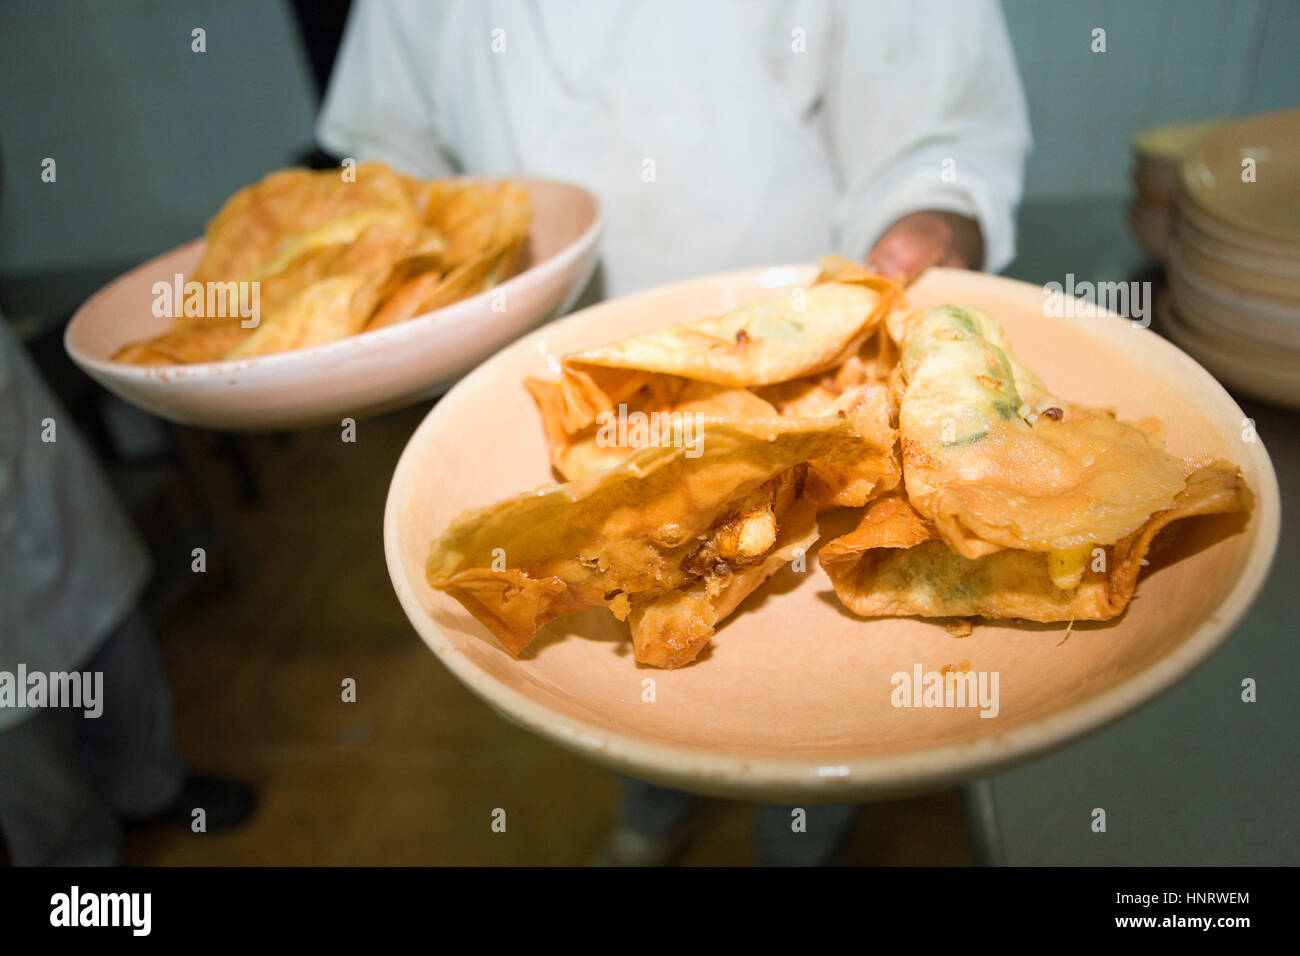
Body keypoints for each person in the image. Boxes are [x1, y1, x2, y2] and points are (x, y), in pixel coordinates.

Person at [317, 0, 1031, 865]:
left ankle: (799, 835)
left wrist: (929, 220)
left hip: (821, 393)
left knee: (808, 694)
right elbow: (390, 154)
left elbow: (940, 124)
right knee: (622, 647)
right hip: (558, 418)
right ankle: (650, 812)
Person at [0, 317, 255, 865]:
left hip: (28, 459)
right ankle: (74, 866)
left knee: (117, 644)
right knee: (21, 731)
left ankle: (150, 787)